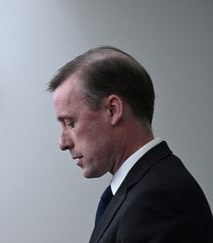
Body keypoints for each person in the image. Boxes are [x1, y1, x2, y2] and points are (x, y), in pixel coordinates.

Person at [47, 46, 213, 243]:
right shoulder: (146, 188)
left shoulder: (158, 198)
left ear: (113, 109)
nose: (62, 143)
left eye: (71, 123)